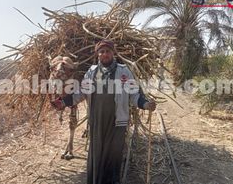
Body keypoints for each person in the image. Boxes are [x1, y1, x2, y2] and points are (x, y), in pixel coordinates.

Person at [51, 39, 156, 184]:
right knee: (96, 156)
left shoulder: (123, 71)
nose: (104, 54)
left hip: (117, 122)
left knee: (113, 156)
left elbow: (134, 93)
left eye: (107, 51)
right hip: (97, 121)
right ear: (97, 55)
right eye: (101, 52)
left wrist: (145, 104)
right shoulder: (92, 72)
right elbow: (80, 93)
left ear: (113, 53)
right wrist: (63, 102)